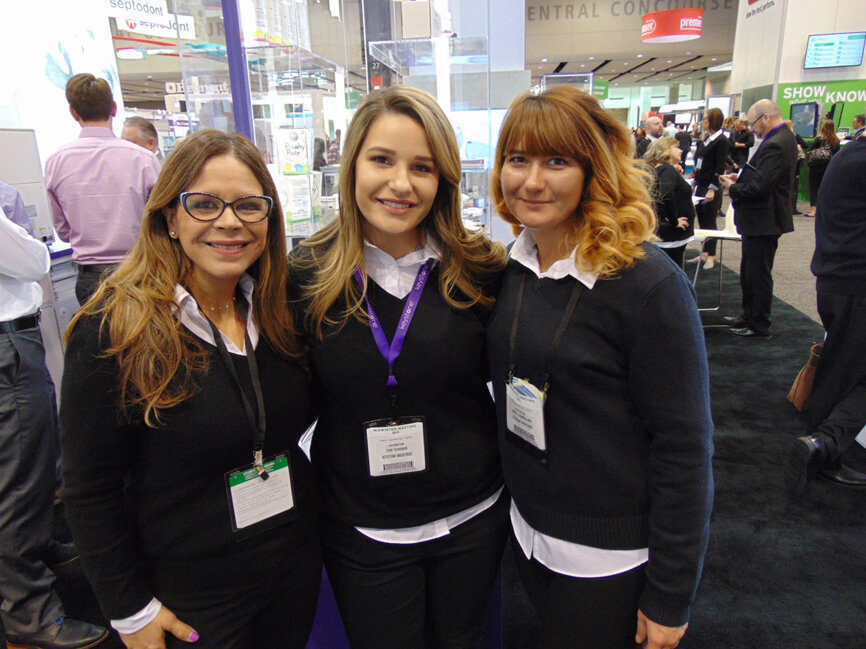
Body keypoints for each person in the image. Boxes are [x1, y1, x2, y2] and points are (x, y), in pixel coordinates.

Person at [60, 130, 321, 649]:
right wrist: (130, 611)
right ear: (170, 218)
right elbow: (90, 490)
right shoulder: (116, 329)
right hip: (189, 596)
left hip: (289, 573)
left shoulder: (278, 311)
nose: (229, 222)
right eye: (203, 204)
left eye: (249, 206)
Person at [487, 86, 713, 649]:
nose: (532, 181)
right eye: (518, 159)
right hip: (529, 535)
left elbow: (684, 449)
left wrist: (670, 595)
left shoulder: (648, 285)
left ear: (595, 170)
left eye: (557, 161)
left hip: (609, 560)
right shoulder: (513, 267)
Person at [289, 86, 508, 649]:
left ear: (445, 180)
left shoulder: (478, 268)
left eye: (422, 167)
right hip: (363, 527)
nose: (401, 184)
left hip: (471, 515)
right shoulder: (304, 274)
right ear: (351, 164)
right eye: (382, 160)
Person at [1, 183, 109, 649]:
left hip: (16, 340)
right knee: (19, 474)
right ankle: (28, 615)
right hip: (6, 341)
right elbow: (31, 260)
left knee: (35, 457)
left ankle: (40, 547)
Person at [787, 129, 866, 494]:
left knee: (839, 368)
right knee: (841, 375)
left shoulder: (848, 155)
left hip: (834, 281)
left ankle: (821, 445)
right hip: (855, 286)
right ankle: (823, 448)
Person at [45, 73, 161, 304]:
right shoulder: (143, 159)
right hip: (140, 271)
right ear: (114, 108)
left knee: (98, 339)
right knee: (148, 339)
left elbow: (63, 231)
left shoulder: (56, 161)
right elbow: (161, 219)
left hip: (90, 279)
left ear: (73, 112)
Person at [719, 99, 798, 338]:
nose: (751, 129)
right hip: (760, 220)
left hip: (765, 220)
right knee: (749, 270)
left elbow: (761, 187)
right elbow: (760, 177)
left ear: (766, 118)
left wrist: (733, 189)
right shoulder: (778, 140)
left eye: (753, 124)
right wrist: (739, 179)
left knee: (758, 273)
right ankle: (749, 315)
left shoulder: (779, 143)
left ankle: (758, 323)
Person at [645, 136, 696, 268]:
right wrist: (674, 221)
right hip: (673, 233)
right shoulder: (667, 170)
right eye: (675, 147)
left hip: (663, 230)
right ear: (665, 150)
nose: (680, 151)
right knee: (674, 268)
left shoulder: (656, 170)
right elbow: (665, 194)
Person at [689, 108, 728, 270]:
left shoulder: (721, 141)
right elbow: (700, 161)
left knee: (710, 221)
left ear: (712, 121)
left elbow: (720, 166)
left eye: (705, 119)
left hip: (711, 186)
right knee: (702, 218)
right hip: (700, 183)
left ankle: (711, 255)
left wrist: (713, 188)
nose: (702, 122)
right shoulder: (705, 139)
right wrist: (694, 180)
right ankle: (704, 252)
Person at [806, 119, 840, 218]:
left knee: (814, 188)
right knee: (824, 187)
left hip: (816, 166)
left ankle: (813, 210)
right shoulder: (836, 140)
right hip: (828, 167)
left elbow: (812, 151)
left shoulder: (818, 139)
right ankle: (824, 209)